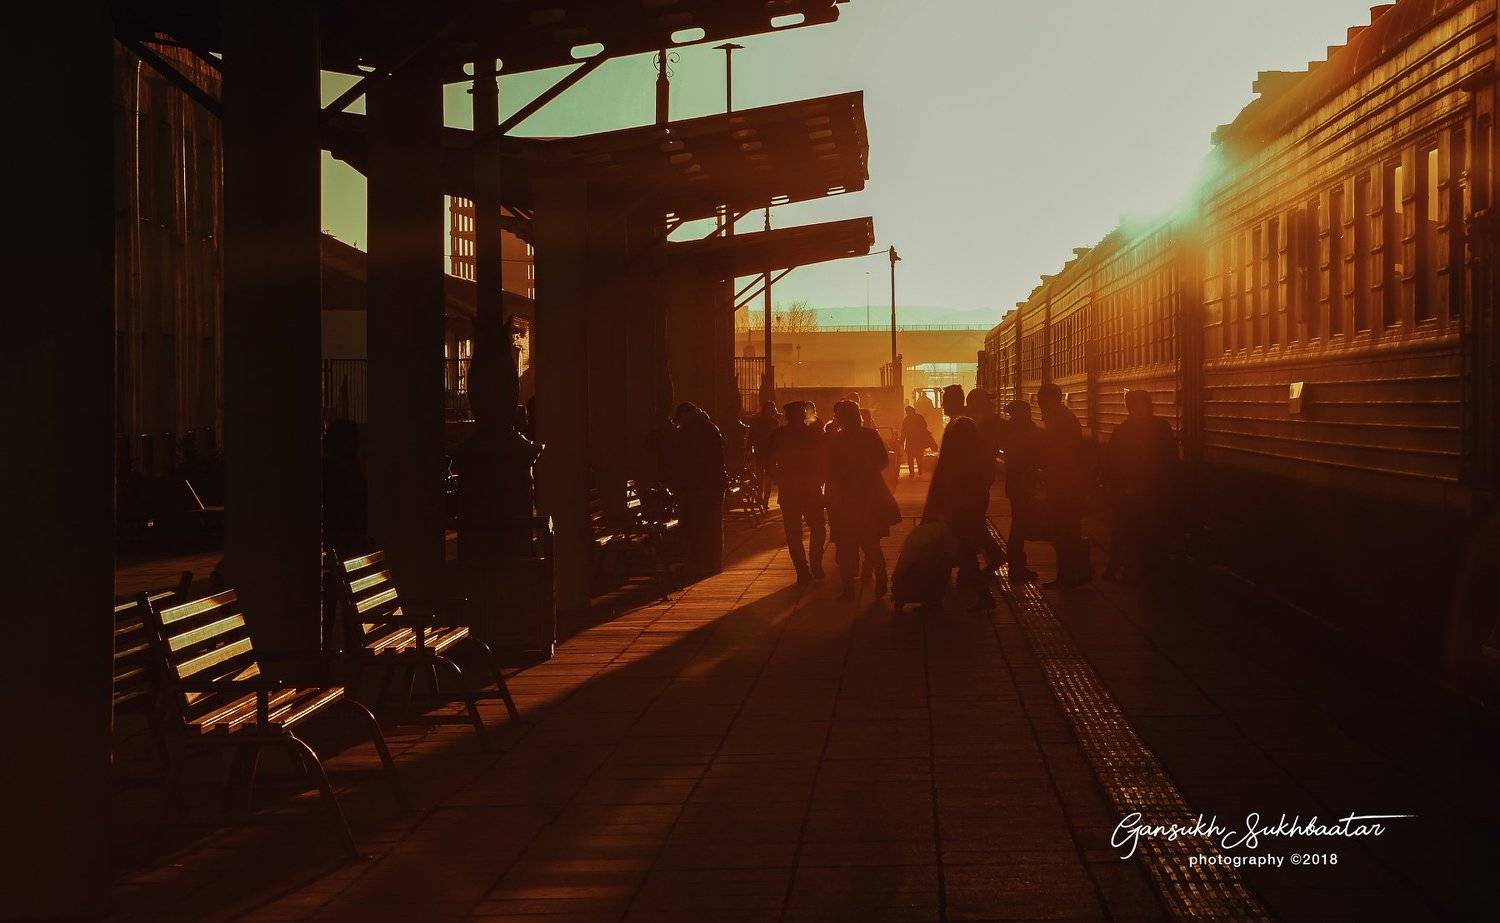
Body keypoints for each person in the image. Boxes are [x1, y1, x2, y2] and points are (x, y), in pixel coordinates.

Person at [1102, 389, 1179, 582]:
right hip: (1137, 489)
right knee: (1132, 529)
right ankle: (1126, 568)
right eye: (1135, 406)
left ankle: (1125, 568)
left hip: (1147, 489)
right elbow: (1113, 461)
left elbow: (1112, 461)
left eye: (1142, 406)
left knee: (1132, 529)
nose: (1139, 410)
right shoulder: (1158, 428)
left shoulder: (1130, 430)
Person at [920, 416, 996, 611]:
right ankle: (936, 600)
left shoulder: (952, 460)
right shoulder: (979, 459)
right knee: (964, 556)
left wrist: (936, 513)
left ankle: (935, 601)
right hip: (969, 514)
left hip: (955, 515)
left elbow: (942, 489)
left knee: (954, 556)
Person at [825, 400, 899, 598]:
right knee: (871, 541)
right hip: (870, 495)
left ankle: (848, 588)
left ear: (840, 418)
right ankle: (881, 578)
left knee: (845, 545)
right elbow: (883, 461)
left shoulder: (837, 440)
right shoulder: (870, 435)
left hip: (845, 498)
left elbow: (830, 471)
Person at [765, 401, 828, 583]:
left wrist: (779, 479)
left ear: (787, 416)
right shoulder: (813, 434)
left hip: (789, 490)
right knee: (818, 528)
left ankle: (802, 569)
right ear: (803, 415)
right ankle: (816, 563)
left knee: (793, 533)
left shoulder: (779, 435)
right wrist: (820, 479)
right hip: (811, 488)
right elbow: (824, 460)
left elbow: (769, 462)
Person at [1036, 382, 1092, 587]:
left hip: (1063, 484)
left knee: (1063, 530)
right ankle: (1073, 572)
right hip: (1066, 482)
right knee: (1067, 530)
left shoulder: (1059, 420)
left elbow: (1058, 453)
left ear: (1049, 400)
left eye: (1042, 401)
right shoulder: (1063, 417)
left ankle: (1070, 574)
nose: (1040, 405)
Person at [662, 402, 727, 578]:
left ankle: (701, 563)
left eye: (680, 419)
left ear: (686, 415)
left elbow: (692, 461)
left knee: (700, 526)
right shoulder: (707, 427)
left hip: (701, 487)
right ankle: (712, 563)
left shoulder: (695, 431)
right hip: (712, 485)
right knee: (712, 526)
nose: (679, 423)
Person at [966, 388, 1007, 573]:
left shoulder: (984, 423)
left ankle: (992, 553)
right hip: (983, 475)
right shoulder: (990, 421)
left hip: (978, 477)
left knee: (974, 518)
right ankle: (990, 553)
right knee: (975, 517)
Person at [1001, 400, 1042, 582]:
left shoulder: (1009, 430)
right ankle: (1016, 566)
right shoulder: (1024, 431)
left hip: (1015, 485)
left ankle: (1016, 564)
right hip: (1024, 484)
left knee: (1018, 524)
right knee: (1019, 525)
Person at [746, 401, 782, 505]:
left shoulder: (771, 421)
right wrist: (749, 448)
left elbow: (776, 437)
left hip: (768, 453)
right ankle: (761, 498)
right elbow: (752, 436)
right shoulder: (766, 421)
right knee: (761, 478)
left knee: (766, 478)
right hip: (762, 452)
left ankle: (764, 500)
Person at [899, 406, 933, 476]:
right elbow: (925, 426)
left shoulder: (906, 420)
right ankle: (919, 471)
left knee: (910, 457)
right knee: (919, 457)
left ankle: (912, 472)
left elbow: (903, 432)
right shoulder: (919, 417)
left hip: (911, 441)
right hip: (918, 441)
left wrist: (902, 442)